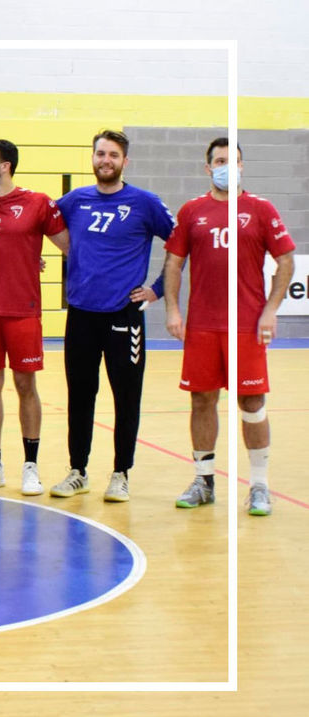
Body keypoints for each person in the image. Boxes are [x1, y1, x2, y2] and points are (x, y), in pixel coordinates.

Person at [164, 138, 295, 515]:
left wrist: (271, 310)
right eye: (220, 161)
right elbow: (174, 263)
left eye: (234, 161)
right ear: (208, 168)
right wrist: (173, 310)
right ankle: (203, 481)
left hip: (246, 327)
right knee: (202, 399)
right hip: (203, 326)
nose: (228, 167)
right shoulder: (192, 211)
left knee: (251, 401)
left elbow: (285, 260)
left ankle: (259, 486)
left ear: (242, 166)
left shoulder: (260, 209)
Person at [52, 130, 176, 502]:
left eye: (113, 155)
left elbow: (182, 245)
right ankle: (78, 470)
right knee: (80, 394)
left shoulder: (144, 203)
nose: (106, 160)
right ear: (92, 157)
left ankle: (121, 472)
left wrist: (156, 288)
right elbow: (36, 223)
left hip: (124, 315)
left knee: (126, 396)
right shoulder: (75, 201)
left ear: (125, 161)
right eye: (100, 154)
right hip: (81, 316)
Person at [0, 139, 68, 496]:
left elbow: (71, 248)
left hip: (23, 311)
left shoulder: (37, 203)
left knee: (26, 386)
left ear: (5, 165)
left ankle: (30, 466)